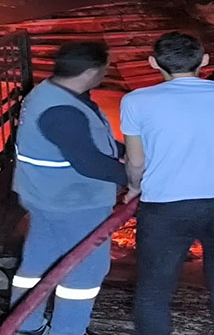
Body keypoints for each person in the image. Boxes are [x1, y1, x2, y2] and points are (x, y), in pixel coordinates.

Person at [121, 32, 214, 335]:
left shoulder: (136, 101)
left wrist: (133, 188)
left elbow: (136, 160)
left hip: (168, 202)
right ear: (205, 60)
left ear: (153, 63)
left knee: (155, 287)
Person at [10, 41, 127, 335]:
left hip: (45, 195)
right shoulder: (63, 110)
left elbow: (84, 143)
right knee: (85, 271)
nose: (106, 72)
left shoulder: (51, 92)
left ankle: (26, 325)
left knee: (39, 261)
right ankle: (68, 331)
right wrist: (138, 177)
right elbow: (88, 163)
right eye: (105, 68)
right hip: (75, 201)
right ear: (91, 72)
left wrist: (121, 150)